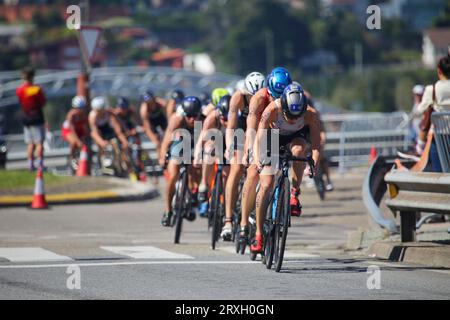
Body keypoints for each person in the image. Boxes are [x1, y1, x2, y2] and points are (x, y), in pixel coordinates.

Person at [250, 83, 321, 253]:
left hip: (296, 137)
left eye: (298, 116)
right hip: (272, 136)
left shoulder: (311, 114)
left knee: (299, 151)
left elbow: (317, 144)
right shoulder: (271, 110)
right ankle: (259, 235)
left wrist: (314, 165)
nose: (294, 119)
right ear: (283, 106)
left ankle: (294, 192)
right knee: (266, 185)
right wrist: (257, 157)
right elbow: (259, 134)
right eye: (289, 115)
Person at [238, 67, 292, 246]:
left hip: (279, 134)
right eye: (274, 95)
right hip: (261, 136)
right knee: (253, 172)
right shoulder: (259, 99)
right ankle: (244, 223)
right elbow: (252, 128)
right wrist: (249, 151)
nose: (277, 100)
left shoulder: (290, 94)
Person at [220, 71, 266, 241]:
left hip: (259, 130)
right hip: (240, 129)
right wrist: (229, 147)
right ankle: (228, 220)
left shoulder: (266, 97)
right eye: (251, 96)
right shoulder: (238, 97)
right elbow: (230, 127)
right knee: (237, 167)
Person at [160, 96, 203, 227]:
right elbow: (167, 139)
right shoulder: (177, 119)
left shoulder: (203, 120)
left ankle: (192, 197)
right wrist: (163, 156)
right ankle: (168, 212)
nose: (192, 119)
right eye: (189, 116)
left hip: (195, 142)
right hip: (178, 142)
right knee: (173, 174)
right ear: (184, 114)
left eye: (195, 116)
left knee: (197, 166)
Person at [194, 95, 231, 218]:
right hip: (214, 140)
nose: (225, 122)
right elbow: (201, 139)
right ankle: (204, 184)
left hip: (230, 142)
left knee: (228, 174)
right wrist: (197, 156)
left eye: (228, 119)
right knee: (208, 150)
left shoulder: (236, 119)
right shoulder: (212, 117)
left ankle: (226, 208)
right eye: (223, 119)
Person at [415, 54, 450, 172]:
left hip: (440, 137)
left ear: (439, 71)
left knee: (439, 170)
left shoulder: (432, 90)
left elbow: (420, 110)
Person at [88, 96, 131, 175]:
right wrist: (101, 142)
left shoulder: (108, 112)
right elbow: (94, 132)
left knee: (115, 143)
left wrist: (124, 141)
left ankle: (118, 164)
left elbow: (117, 127)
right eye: (99, 111)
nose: (101, 112)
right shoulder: (92, 116)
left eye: (102, 110)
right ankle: (102, 160)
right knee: (99, 141)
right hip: (99, 132)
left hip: (107, 129)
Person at [16, 66, 46, 171]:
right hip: (37, 117)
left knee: (30, 143)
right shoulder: (35, 89)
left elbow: (20, 101)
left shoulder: (19, 89)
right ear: (33, 76)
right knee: (39, 142)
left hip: (26, 117)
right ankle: (40, 164)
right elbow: (42, 102)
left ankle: (30, 164)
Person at [113, 97, 146, 180]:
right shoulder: (115, 115)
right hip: (120, 133)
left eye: (125, 108)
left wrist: (137, 129)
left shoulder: (131, 111)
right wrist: (124, 142)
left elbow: (139, 123)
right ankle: (129, 169)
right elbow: (118, 132)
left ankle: (140, 165)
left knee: (137, 146)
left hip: (129, 130)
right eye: (122, 108)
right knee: (124, 150)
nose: (123, 111)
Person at [61, 95, 90, 173]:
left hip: (78, 130)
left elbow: (85, 128)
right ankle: (72, 158)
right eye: (79, 108)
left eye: (82, 108)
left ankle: (83, 160)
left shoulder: (84, 115)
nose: (81, 110)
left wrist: (85, 137)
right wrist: (78, 141)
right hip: (68, 130)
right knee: (74, 142)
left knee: (83, 143)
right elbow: (72, 129)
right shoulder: (71, 115)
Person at [140, 91, 168, 160]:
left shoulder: (160, 103)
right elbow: (148, 128)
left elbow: (168, 112)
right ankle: (161, 160)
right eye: (149, 103)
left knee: (167, 138)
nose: (151, 105)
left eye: (152, 102)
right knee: (157, 143)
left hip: (161, 119)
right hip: (151, 122)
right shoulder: (144, 111)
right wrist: (155, 141)